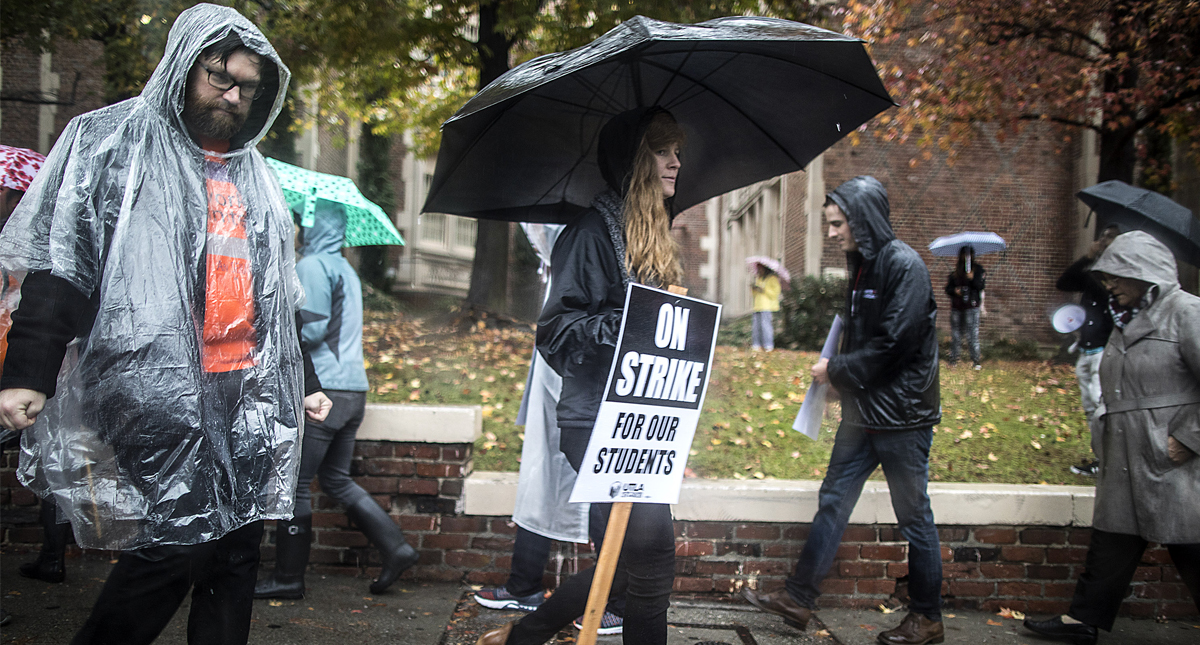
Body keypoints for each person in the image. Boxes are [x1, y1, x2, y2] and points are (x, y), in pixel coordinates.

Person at [0, 5, 331, 644]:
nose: (233, 97)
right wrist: (28, 371)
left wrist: (305, 378)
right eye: (218, 77)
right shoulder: (109, 141)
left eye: (248, 86)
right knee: (179, 537)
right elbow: (60, 260)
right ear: (183, 67)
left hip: (245, 384)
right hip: (151, 380)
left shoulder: (250, 170)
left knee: (237, 544)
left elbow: (271, 290)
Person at [475, 106, 684, 645]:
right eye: (663, 150)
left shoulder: (652, 235)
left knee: (640, 551)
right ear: (636, 160)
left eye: (677, 151)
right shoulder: (590, 234)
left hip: (643, 419)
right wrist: (631, 325)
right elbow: (556, 332)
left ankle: (527, 634)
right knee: (651, 545)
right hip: (594, 420)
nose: (676, 162)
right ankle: (530, 632)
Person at [742, 176, 944, 645]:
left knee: (914, 517)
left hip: (902, 418)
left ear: (862, 220)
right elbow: (865, 339)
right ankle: (798, 598)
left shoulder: (903, 266)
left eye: (837, 225)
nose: (832, 234)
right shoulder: (862, 267)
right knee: (833, 498)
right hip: (863, 412)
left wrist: (837, 370)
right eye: (829, 225)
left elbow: (896, 344)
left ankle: (928, 617)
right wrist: (841, 382)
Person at [1024, 231, 1200, 645]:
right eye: (1105, 276)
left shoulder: (1187, 313)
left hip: (1172, 455)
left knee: (1191, 545)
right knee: (1111, 543)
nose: (1109, 284)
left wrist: (1190, 438)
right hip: (1124, 450)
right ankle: (1082, 621)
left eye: (1117, 275)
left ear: (1147, 273)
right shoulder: (1127, 319)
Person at [254, 202, 418, 599]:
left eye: (300, 222)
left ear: (311, 227)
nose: (295, 227)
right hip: (354, 390)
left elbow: (310, 331)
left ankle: (289, 578)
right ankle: (396, 548)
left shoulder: (311, 265)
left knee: (294, 485)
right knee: (335, 479)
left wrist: (268, 333)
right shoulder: (345, 268)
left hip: (325, 391)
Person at [474, 222, 624, 635]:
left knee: (606, 498)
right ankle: (532, 599)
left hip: (589, 384)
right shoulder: (583, 236)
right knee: (552, 478)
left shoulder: (597, 236)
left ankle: (547, 611)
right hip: (572, 379)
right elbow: (563, 324)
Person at [1056, 224, 1121, 477]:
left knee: (1100, 405)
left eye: (1109, 238)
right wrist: (1087, 257)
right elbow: (1064, 282)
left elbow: (1110, 301)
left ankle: (1107, 460)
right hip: (1086, 347)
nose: (1103, 241)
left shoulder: (1115, 276)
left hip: (1105, 348)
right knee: (1090, 407)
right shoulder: (1093, 270)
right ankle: (1100, 457)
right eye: (1102, 237)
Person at [944, 244, 985, 369]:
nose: (966, 256)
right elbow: (948, 288)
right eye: (964, 254)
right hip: (957, 307)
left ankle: (976, 361)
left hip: (971, 307)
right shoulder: (956, 272)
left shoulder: (978, 270)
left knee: (972, 334)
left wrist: (972, 279)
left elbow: (980, 287)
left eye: (969, 254)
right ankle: (954, 359)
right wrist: (955, 291)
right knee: (956, 334)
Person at [751, 263, 782, 352]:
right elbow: (755, 294)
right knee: (756, 327)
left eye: (760, 269)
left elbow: (775, 293)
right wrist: (754, 289)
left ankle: (768, 345)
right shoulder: (759, 279)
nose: (759, 271)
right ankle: (756, 345)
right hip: (757, 306)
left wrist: (763, 289)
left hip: (767, 306)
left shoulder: (773, 279)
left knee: (766, 326)